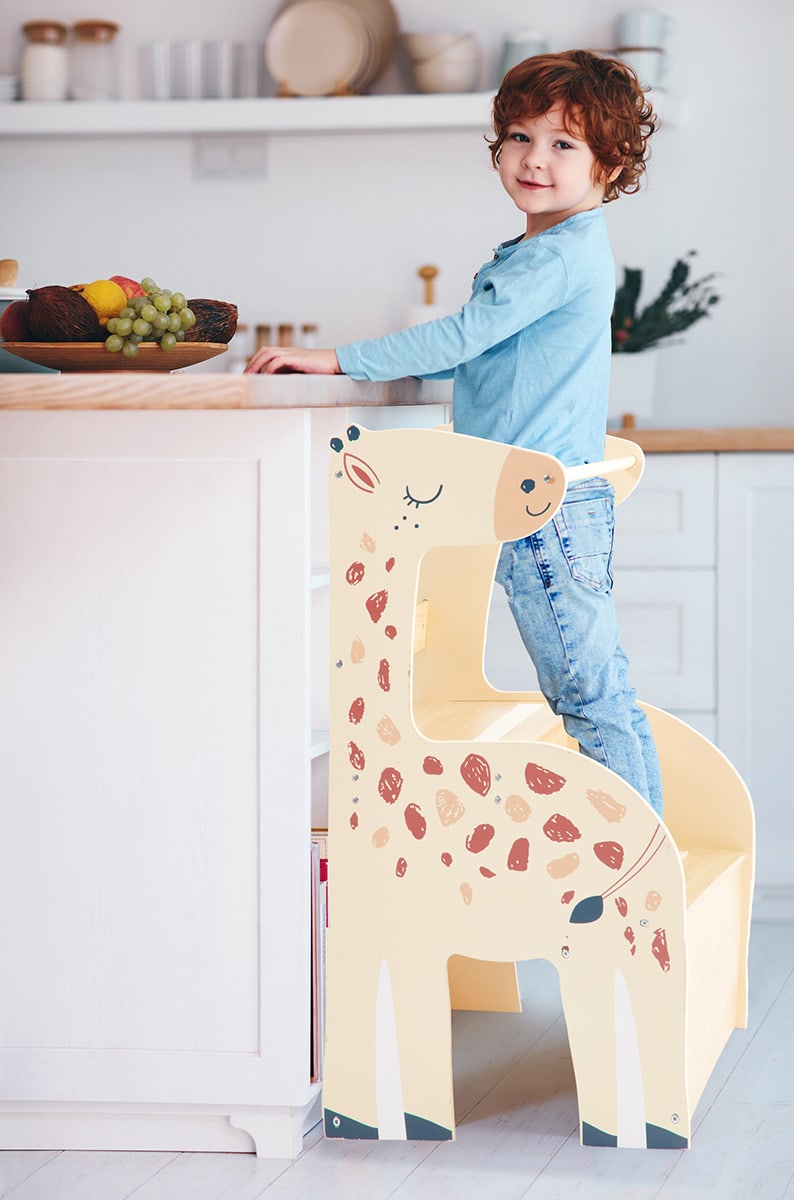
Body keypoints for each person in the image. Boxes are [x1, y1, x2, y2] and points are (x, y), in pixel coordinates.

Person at [245, 50, 664, 814]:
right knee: (598, 694)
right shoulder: (553, 248)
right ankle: (643, 867)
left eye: (564, 144)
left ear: (609, 163)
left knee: (588, 697)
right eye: (519, 137)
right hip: (544, 501)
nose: (534, 159)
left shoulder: (556, 257)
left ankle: (635, 875)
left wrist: (334, 358)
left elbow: (458, 340)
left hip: (547, 511)